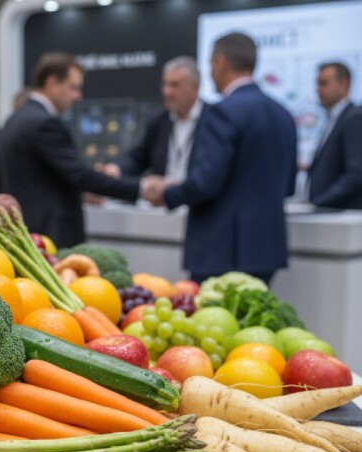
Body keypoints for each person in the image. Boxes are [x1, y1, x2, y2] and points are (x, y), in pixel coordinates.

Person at [145, 32, 297, 285]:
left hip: (222, 252)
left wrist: (166, 194)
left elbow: (205, 182)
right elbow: (288, 185)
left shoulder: (222, 112)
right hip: (266, 250)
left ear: (221, 63)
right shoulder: (283, 114)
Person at [0, 52, 154, 248]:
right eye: (73, 88)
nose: (77, 96)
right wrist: (140, 188)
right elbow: (80, 175)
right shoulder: (44, 123)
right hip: (49, 237)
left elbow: (39, 179)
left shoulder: (15, 119)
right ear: (53, 83)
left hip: (27, 232)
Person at [105, 57, 209, 183]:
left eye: (175, 85)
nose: (167, 91)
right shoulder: (159, 122)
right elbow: (139, 157)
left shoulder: (213, 120)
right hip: (162, 200)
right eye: (165, 84)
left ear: (195, 87)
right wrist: (117, 169)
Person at [307, 62, 362, 209]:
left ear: (344, 83)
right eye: (318, 84)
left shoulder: (354, 118)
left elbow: (356, 174)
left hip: (343, 218)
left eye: (324, 83)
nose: (318, 90)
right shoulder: (334, 119)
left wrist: (319, 203)